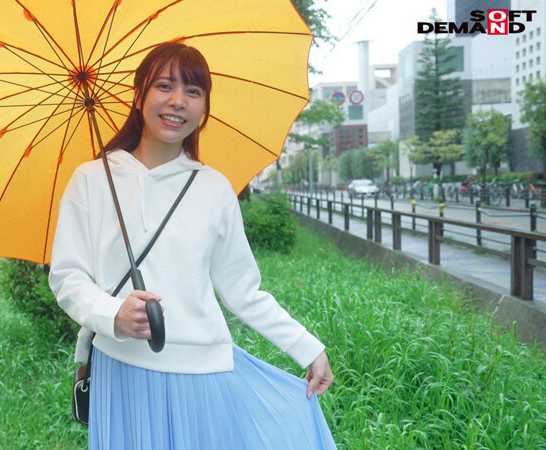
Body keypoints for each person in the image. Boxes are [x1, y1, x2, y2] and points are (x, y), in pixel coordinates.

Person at [48, 42, 336, 449]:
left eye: (193, 91)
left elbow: (243, 291)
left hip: (203, 374)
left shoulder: (214, 188)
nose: (178, 101)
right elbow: (67, 276)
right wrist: (112, 314)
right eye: (164, 86)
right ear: (139, 96)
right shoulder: (92, 180)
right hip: (121, 370)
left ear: (204, 108)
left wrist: (308, 348)